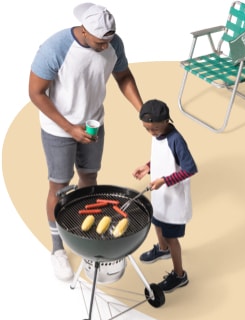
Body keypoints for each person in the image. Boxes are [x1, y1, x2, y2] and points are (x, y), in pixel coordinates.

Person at [29, 3, 143, 281]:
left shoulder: (113, 43)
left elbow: (124, 74)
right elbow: (36, 92)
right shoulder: (55, 48)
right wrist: (69, 127)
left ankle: (83, 230)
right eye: (99, 42)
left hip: (94, 124)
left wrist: (141, 109)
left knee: (89, 180)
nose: (106, 46)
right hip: (58, 129)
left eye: (109, 41)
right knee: (59, 187)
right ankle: (57, 249)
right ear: (83, 31)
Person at [133, 99, 198, 292]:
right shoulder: (157, 134)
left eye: (154, 129)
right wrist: (148, 167)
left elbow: (190, 169)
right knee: (157, 221)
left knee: (171, 237)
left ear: (167, 121)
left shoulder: (176, 139)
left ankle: (179, 275)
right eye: (147, 129)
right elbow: (161, 157)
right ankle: (162, 251)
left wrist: (164, 181)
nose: (151, 133)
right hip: (160, 194)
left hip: (174, 197)